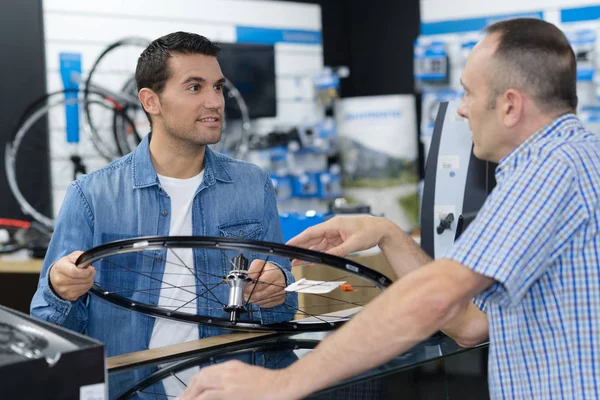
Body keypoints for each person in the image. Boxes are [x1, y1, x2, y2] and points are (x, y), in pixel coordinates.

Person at [179, 18, 600, 400]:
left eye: (470, 92)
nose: (461, 108)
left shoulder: (550, 171)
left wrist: (282, 383)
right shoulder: (574, 159)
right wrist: (387, 233)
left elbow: (434, 297)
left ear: (510, 105)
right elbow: (471, 325)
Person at [30, 32, 297, 398]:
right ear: (150, 101)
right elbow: (47, 324)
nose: (214, 101)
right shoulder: (91, 196)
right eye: (194, 88)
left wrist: (275, 292)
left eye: (217, 87)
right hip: (133, 391)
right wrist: (62, 291)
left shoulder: (254, 185)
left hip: (232, 389)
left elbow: (284, 312)